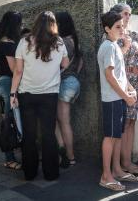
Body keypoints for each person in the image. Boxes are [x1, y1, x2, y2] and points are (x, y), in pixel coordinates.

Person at [10, 11, 68, 181]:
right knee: (48, 134)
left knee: (29, 134)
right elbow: (65, 63)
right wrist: (55, 72)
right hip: (49, 95)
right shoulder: (58, 42)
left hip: (27, 94)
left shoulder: (24, 42)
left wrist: (13, 92)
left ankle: (29, 172)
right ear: (53, 24)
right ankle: (51, 173)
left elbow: (18, 71)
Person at [97, 11, 137, 191]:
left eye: (122, 25)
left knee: (116, 136)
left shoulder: (113, 46)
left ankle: (116, 170)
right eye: (117, 27)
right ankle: (106, 176)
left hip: (117, 98)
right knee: (110, 137)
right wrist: (126, 95)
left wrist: (130, 88)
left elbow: (119, 75)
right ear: (107, 29)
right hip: (113, 99)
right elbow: (109, 75)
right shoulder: (108, 47)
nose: (122, 29)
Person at [109, 3, 138, 176]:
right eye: (125, 13)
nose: (128, 17)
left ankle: (127, 161)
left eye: (129, 14)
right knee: (122, 122)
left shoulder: (135, 35)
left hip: (137, 82)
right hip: (122, 82)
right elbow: (114, 63)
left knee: (131, 122)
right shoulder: (113, 36)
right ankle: (120, 164)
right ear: (117, 15)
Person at [0, 11, 22, 170]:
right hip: (9, 83)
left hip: (4, 83)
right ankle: (9, 159)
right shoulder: (8, 43)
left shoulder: (2, 41)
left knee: (9, 120)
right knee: (9, 122)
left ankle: (11, 156)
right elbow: (13, 68)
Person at [54, 11, 83, 168]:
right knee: (63, 121)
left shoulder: (62, 42)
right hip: (74, 82)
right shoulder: (75, 39)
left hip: (64, 82)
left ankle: (69, 156)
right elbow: (80, 62)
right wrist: (74, 76)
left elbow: (58, 64)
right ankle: (64, 153)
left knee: (63, 122)